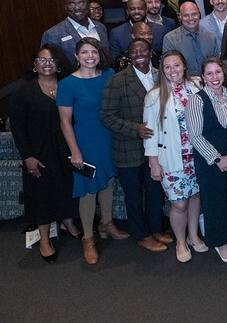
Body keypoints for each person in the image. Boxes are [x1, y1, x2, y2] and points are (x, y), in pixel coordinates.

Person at [101, 39, 173, 254]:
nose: (139, 54)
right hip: (128, 149)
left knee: (154, 192)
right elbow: (106, 116)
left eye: (143, 50)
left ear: (151, 52)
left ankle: (155, 229)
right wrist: (135, 129)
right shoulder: (118, 80)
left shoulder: (161, 76)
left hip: (156, 148)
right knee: (133, 196)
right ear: (128, 55)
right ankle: (142, 235)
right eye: (134, 51)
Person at [57, 37, 124, 264]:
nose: (89, 56)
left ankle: (106, 223)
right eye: (84, 52)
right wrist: (75, 151)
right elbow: (65, 122)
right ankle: (88, 237)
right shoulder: (67, 84)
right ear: (76, 56)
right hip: (84, 141)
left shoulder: (109, 76)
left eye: (93, 52)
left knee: (109, 181)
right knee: (88, 189)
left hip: (108, 137)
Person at [11, 45, 79, 263]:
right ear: (34, 64)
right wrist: (27, 156)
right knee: (42, 194)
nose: (47, 64)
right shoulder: (24, 91)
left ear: (59, 65)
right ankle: (44, 239)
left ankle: (67, 221)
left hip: (65, 149)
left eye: (52, 60)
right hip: (38, 152)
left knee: (67, 187)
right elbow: (18, 128)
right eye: (42, 60)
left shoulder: (67, 86)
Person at [144, 50, 206, 263]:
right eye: (168, 66)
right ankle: (180, 241)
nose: (173, 70)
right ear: (162, 70)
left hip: (197, 156)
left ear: (184, 66)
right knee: (179, 203)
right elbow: (150, 132)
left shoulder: (196, 87)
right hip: (171, 158)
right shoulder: (154, 95)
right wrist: (153, 162)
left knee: (195, 196)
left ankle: (194, 235)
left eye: (177, 65)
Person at [186, 58, 227, 263]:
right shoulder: (197, 100)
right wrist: (216, 158)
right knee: (214, 201)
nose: (215, 77)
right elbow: (195, 136)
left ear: (224, 74)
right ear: (203, 77)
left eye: (218, 72)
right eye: (210, 73)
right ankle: (220, 242)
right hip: (209, 161)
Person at [42, 0, 110, 67]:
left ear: (88, 6)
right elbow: (49, 66)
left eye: (81, 3)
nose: (77, 8)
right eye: (71, 4)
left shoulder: (100, 27)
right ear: (66, 8)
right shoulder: (53, 34)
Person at [163, 2, 217, 77]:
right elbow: (170, 70)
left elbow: (216, 65)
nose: (191, 18)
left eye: (194, 14)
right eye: (186, 15)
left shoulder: (211, 37)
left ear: (199, 14)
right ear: (180, 16)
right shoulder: (170, 39)